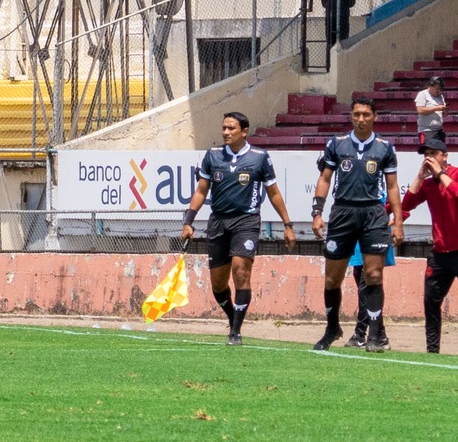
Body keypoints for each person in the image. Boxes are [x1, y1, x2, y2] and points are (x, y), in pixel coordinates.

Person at [181, 112, 297, 345]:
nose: (226, 132)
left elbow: (273, 192)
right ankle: (234, 318)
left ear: (244, 131)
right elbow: (201, 190)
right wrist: (188, 221)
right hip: (218, 221)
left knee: (241, 270)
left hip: (246, 221)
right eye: (224, 128)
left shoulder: (259, 157)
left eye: (231, 128)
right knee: (218, 284)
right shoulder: (212, 156)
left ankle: (235, 331)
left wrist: (287, 224)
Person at [311, 100, 402, 352]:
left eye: (365, 114)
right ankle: (332, 328)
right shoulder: (337, 144)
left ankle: (374, 336)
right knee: (332, 278)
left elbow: (393, 187)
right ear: (351, 117)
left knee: (373, 274)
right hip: (342, 212)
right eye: (356, 114)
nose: (360, 119)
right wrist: (317, 212)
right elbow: (325, 178)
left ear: (375, 116)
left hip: (373, 213)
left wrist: (398, 222)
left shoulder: (385, 148)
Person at [404, 134, 458, 353]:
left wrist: (441, 174)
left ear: (445, 156)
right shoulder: (428, 185)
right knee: (430, 301)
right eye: (426, 155)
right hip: (439, 253)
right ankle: (432, 351)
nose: (429, 159)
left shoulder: (454, 175)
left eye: (433, 154)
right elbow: (407, 203)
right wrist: (419, 176)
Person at [416, 76, 445, 150]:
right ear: (431, 86)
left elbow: (444, 114)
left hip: (439, 130)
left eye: (440, 89)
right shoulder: (423, 94)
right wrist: (436, 108)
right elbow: (420, 110)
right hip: (427, 131)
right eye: (437, 88)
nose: (438, 91)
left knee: (440, 153)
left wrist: (445, 110)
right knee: (430, 153)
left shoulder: (440, 96)